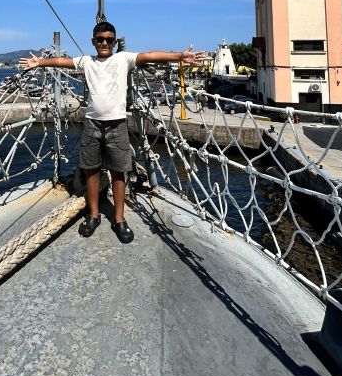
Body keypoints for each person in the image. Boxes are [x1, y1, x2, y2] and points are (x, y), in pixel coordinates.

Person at [19, 21, 205, 244]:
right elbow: (62, 61)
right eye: (100, 39)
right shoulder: (86, 61)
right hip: (92, 124)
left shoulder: (122, 59)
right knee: (91, 170)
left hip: (117, 124)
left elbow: (150, 55)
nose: (105, 43)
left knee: (119, 172)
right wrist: (39, 62)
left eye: (109, 39)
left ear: (115, 42)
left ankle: (119, 219)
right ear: (93, 42)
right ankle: (94, 215)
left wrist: (179, 57)